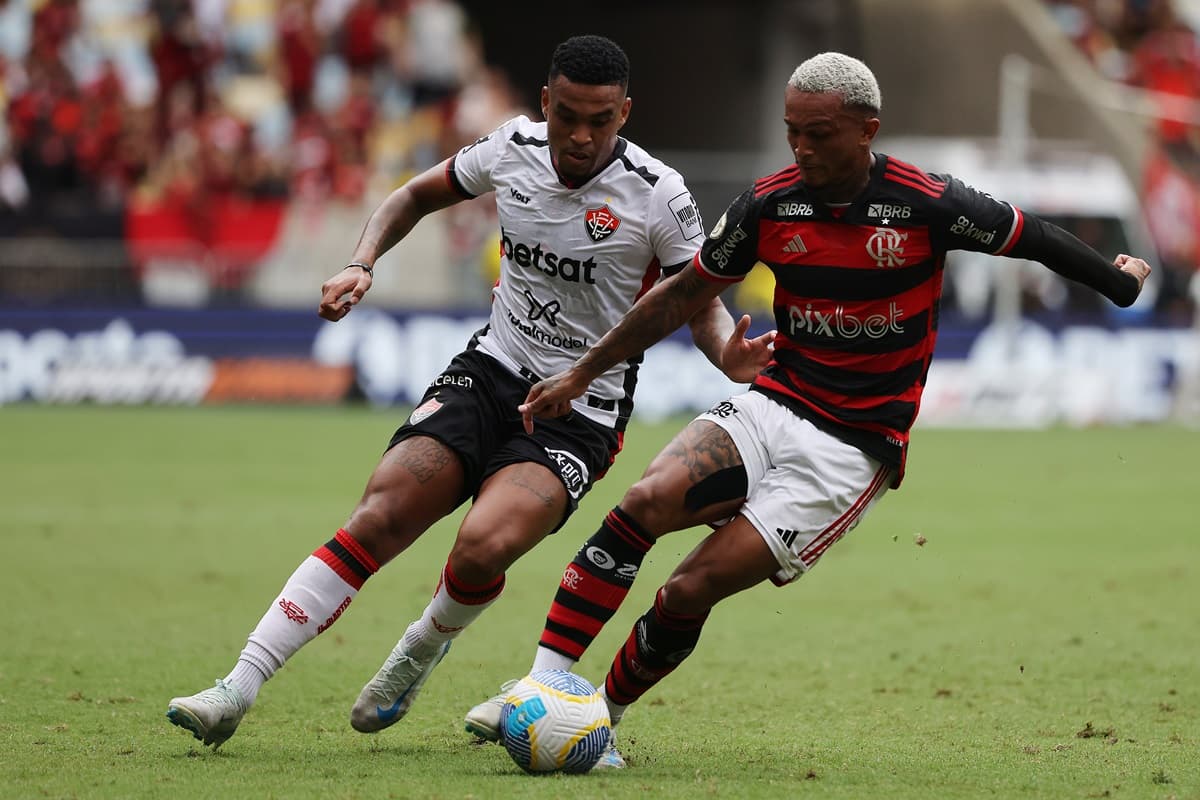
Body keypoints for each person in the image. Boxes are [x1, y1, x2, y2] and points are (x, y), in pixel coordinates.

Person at [462, 51, 1153, 764]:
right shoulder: (770, 204)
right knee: (645, 501)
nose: (802, 147)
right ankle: (543, 685)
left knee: (688, 589)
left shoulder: (927, 202)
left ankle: (595, 719)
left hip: (852, 449)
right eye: (793, 130)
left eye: (819, 134)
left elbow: (1029, 236)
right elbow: (682, 295)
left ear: (867, 130)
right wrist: (583, 370)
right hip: (775, 402)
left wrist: (1117, 281)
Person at [164, 34, 773, 759]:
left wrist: (724, 351)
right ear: (545, 102)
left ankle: (421, 646)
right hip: (489, 371)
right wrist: (362, 262)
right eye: (569, 115)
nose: (581, 136)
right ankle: (236, 687)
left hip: (581, 412)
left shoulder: (658, 192)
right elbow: (414, 195)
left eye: (601, 120)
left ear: (625, 114)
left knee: (483, 546)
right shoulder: (510, 147)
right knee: (381, 512)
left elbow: (695, 294)